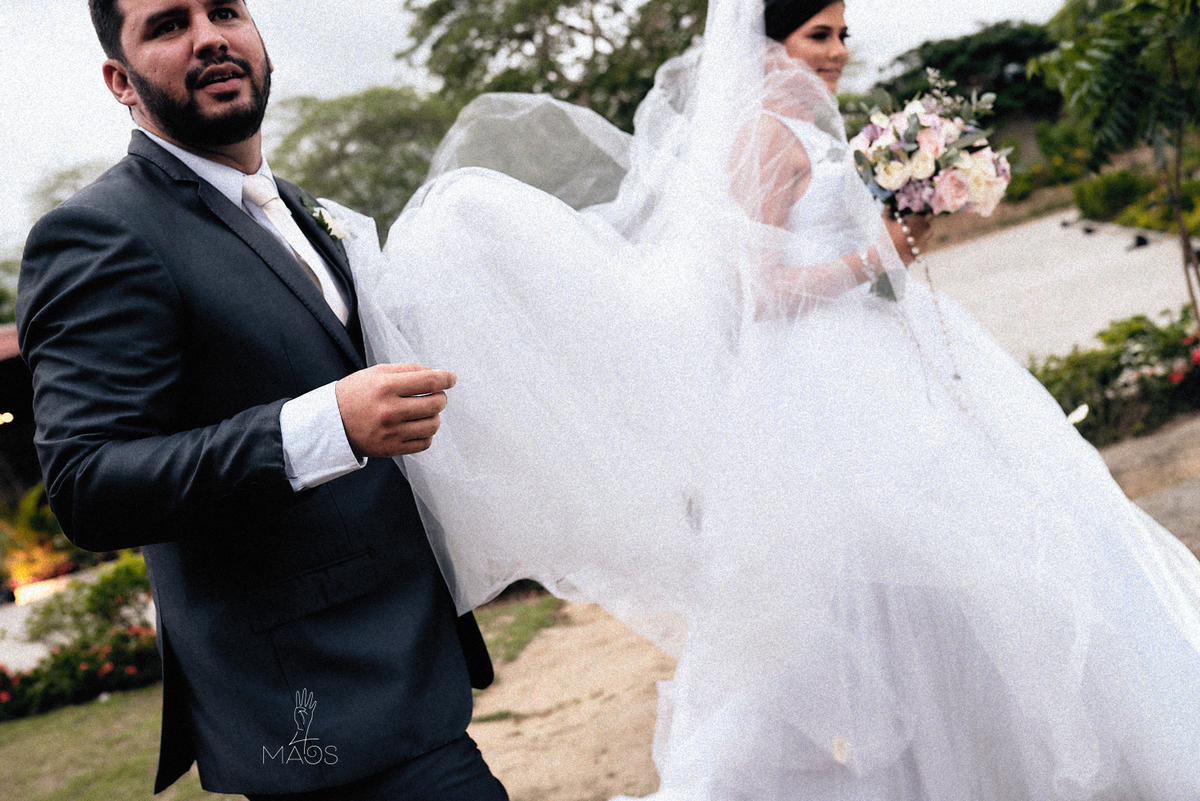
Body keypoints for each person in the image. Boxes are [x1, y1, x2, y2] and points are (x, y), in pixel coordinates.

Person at [342, 0, 1200, 796]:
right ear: (766, 46)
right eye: (818, 34)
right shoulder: (762, 138)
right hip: (819, 391)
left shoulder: (809, 133)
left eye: (840, 34)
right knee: (856, 589)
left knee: (956, 570)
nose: (837, 51)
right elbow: (755, 286)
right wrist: (881, 256)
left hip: (877, 370)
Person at [16, 1, 507, 798]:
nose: (209, 36)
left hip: (410, 668)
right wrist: (325, 426)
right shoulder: (101, 234)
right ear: (121, 79)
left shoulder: (303, 208)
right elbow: (89, 482)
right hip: (310, 707)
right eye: (169, 24)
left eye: (225, 11)